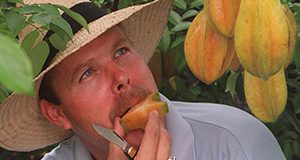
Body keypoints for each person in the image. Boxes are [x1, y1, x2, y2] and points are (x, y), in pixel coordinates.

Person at [0, 0, 286, 159]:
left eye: (121, 51)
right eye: (87, 73)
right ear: (56, 113)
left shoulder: (238, 144)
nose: (121, 76)